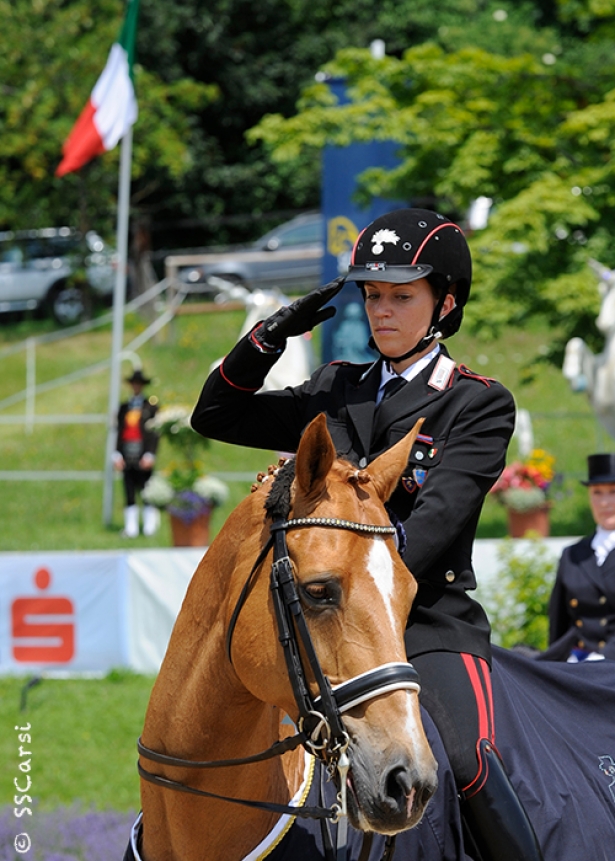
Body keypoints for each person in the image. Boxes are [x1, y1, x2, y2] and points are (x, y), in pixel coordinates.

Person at [191, 208, 542, 861]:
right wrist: (268, 335)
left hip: (428, 625)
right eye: (373, 295)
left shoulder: (476, 402)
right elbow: (215, 413)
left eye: (400, 296)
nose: (381, 310)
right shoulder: (337, 387)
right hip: (323, 625)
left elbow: (434, 526)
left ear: (444, 302)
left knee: (467, 758)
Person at [545, 453, 615, 662]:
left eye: (613, 492)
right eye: (597, 493)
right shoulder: (573, 554)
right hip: (578, 663)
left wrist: (603, 658)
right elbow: (559, 622)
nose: (604, 502)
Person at [113, 368, 160, 538]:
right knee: (129, 490)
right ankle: (130, 528)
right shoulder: (124, 407)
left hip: (143, 453)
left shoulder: (150, 407)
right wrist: (117, 454)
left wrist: (150, 454)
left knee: (146, 490)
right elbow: (119, 431)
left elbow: (154, 433)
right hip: (127, 453)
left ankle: (149, 526)